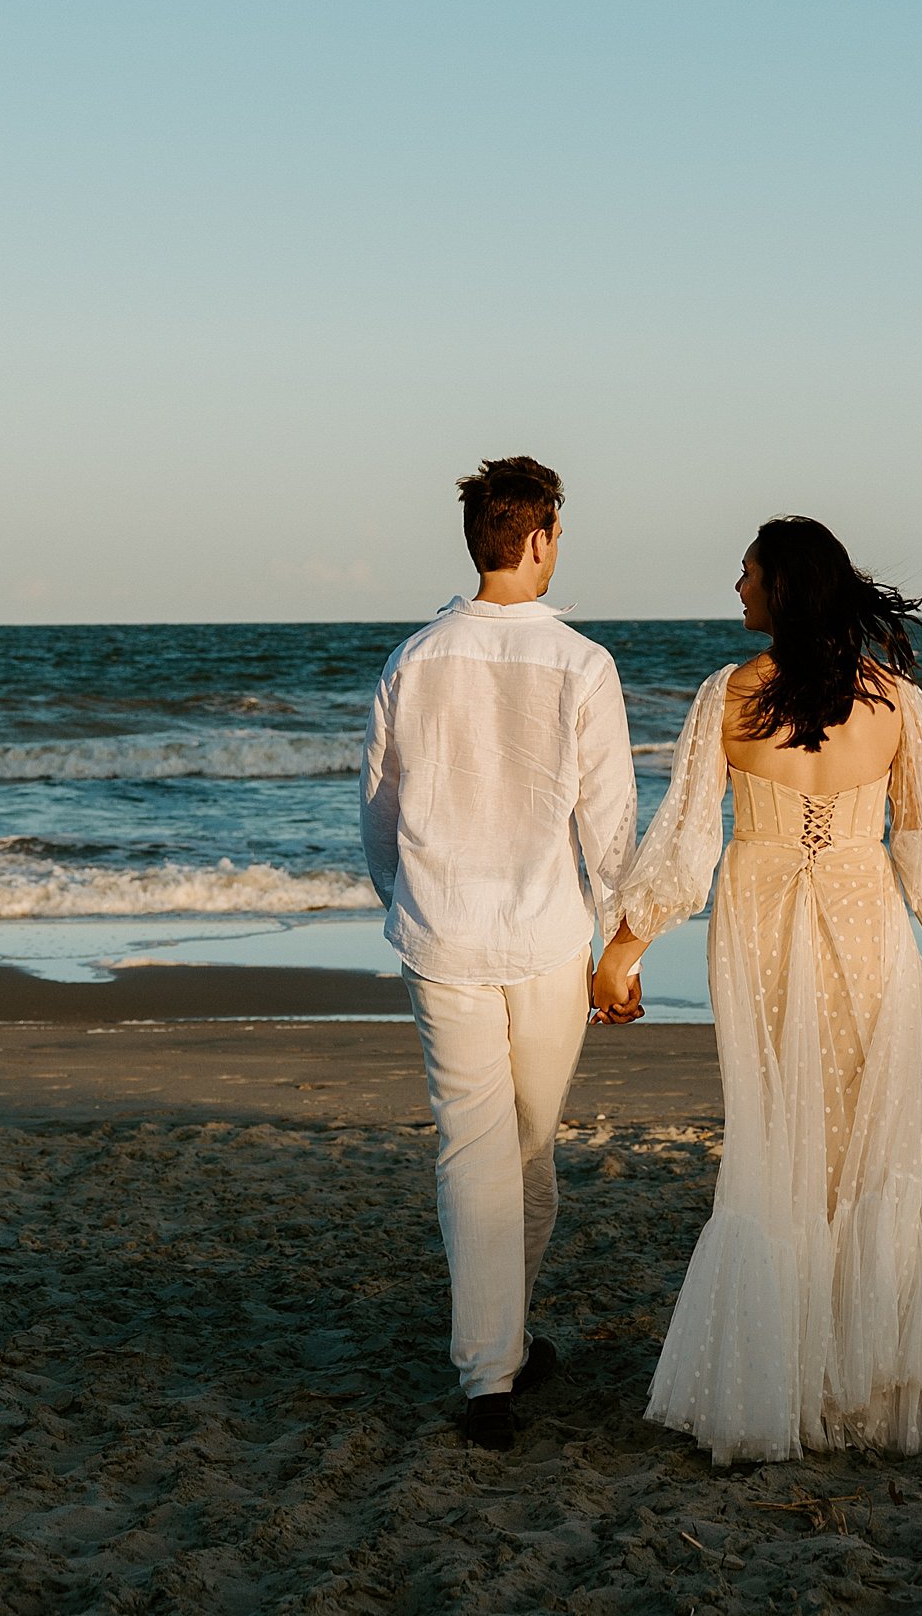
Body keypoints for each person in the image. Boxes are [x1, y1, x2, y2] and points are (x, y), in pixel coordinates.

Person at [591, 515, 922, 1463]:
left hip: (759, 928)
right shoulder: (894, 704)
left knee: (780, 1139)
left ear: (785, 588)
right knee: (864, 1141)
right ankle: (869, 1377)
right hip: (865, 921)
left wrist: (623, 952)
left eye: (748, 572)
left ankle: (796, 1380)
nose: (738, 586)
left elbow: (684, 845)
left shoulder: (730, 695)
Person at [361, 455, 636, 1449]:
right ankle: (493, 1363)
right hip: (547, 934)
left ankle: (497, 1356)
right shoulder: (582, 664)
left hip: (442, 932)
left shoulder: (412, 658)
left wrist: (405, 899)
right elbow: (609, 826)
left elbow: (379, 812)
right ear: (535, 539)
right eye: (556, 533)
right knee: (520, 1150)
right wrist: (622, 946)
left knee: (479, 1150)